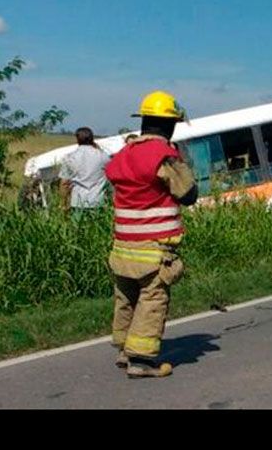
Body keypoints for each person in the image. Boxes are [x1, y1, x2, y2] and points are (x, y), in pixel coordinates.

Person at [105, 91, 198, 378]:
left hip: (123, 248)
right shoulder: (164, 156)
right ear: (170, 125)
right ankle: (141, 360)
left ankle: (124, 350)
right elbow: (188, 194)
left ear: (143, 120)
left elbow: (113, 174)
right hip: (153, 249)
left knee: (126, 298)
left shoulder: (124, 154)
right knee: (153, 298)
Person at [58, 127, 110, 215]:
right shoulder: (104, 156)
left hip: (77, 201)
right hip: (97, 201)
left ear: (77, 139)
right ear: (92, 138)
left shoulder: (70, 157)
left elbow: (64, 183)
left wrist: (63, 203)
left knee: (77, 228)